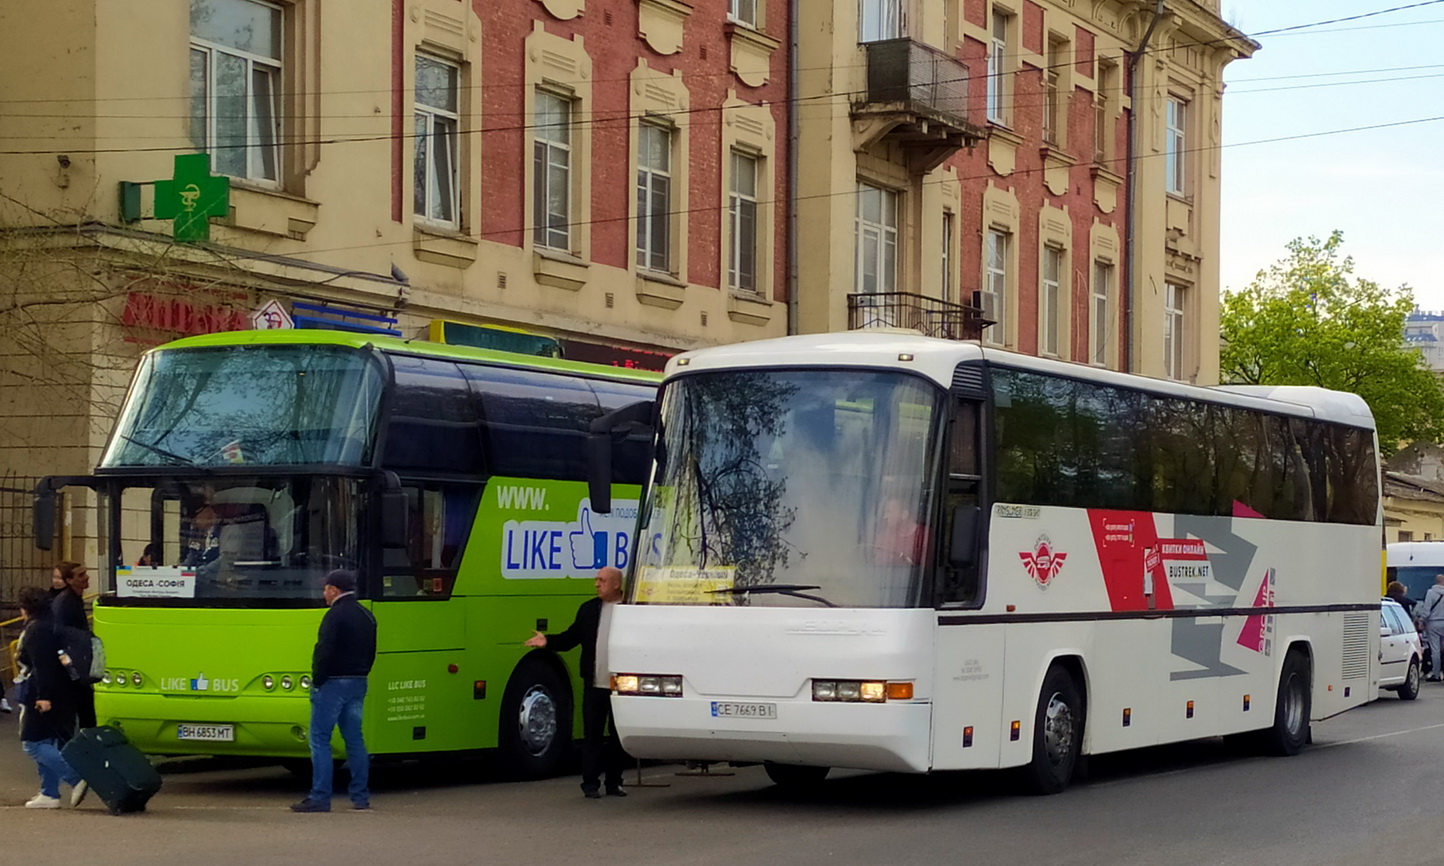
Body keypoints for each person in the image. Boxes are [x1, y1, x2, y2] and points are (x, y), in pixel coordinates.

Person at [525, 566, 627, 799]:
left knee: (617, 737)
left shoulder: (630, 610)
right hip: (594, 683)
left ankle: (614, 782)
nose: (596, 584)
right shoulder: (589, 609)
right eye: (596, 580)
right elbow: (571, 637)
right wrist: (547, 641)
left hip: (622, 685)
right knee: (592, 734)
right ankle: (590, 783)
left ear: (616, 584)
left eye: (602, 580)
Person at [292, 570, 377, 813]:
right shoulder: (366, 615)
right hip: (358, 681)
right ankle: (360, 797)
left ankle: (320, 796)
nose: (323, 594)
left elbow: (324, 651)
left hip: (332, 683)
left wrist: (318, 680)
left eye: (326, 589)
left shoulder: (334, 616)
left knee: (319, 738)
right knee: (354, 739)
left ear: (334, 590)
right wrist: (361, 673)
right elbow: (372, 651)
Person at [14, 586, 88, 809]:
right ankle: (49, 792)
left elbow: (42, 666)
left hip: (42, 692)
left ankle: (75, 778)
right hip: (61, 691)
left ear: (26, 608)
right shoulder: (51, 624)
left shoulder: (37, 631)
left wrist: (43, 696)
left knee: (33, 743)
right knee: (46, 741)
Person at [50, 562, 95, 729]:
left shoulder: (74, 599)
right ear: (69, 580)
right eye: (80, 575)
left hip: (76, 664)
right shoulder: (65, 603)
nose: (86, 577)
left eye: (85, 573)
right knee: (80, 710)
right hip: (70, 667)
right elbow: (60, 635)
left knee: (85, 708)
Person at [1416, 574, 1444, 682]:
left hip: (1433, 624)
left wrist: (1421, 620)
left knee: (1435, 650)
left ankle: (1436, 674)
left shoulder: (1431, 593)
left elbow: (1426, 610)